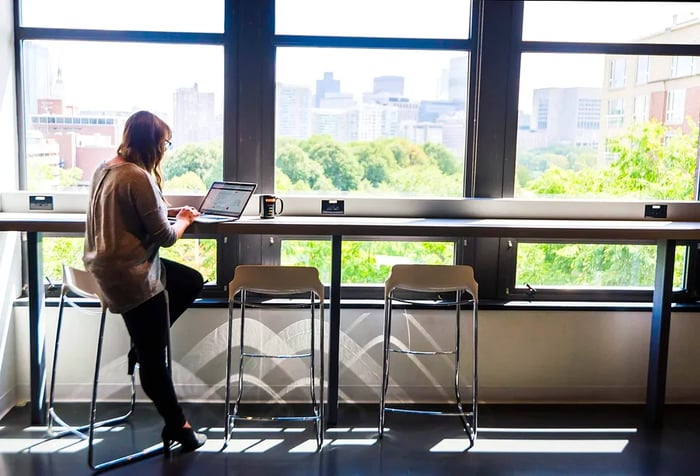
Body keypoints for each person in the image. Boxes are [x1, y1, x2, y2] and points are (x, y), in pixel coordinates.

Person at [83, 110, 206, 455]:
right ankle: (179, 427)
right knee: (155, 361)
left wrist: (164, 212)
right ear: (153, 144)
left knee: (189, 281)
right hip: (131, 274)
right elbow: (166, 238)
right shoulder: (137, 177)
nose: (166, 148)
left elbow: (131, 215)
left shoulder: (106, 167)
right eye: (165, 142)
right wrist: (183, 219)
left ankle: (141, 343)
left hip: (105, 266)